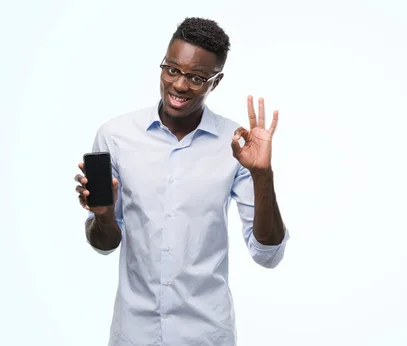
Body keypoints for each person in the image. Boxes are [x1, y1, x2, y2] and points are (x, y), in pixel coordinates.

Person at [73, 17, 290, 346]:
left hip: (206, 335)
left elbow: (267, 254)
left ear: (215, 82)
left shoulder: (236, 144)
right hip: (134, 334)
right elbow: (104, 244)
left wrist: (262, 175)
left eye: (196, 77)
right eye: (171, 69)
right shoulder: (115, 136)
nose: (179, 85)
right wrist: (102, 214)